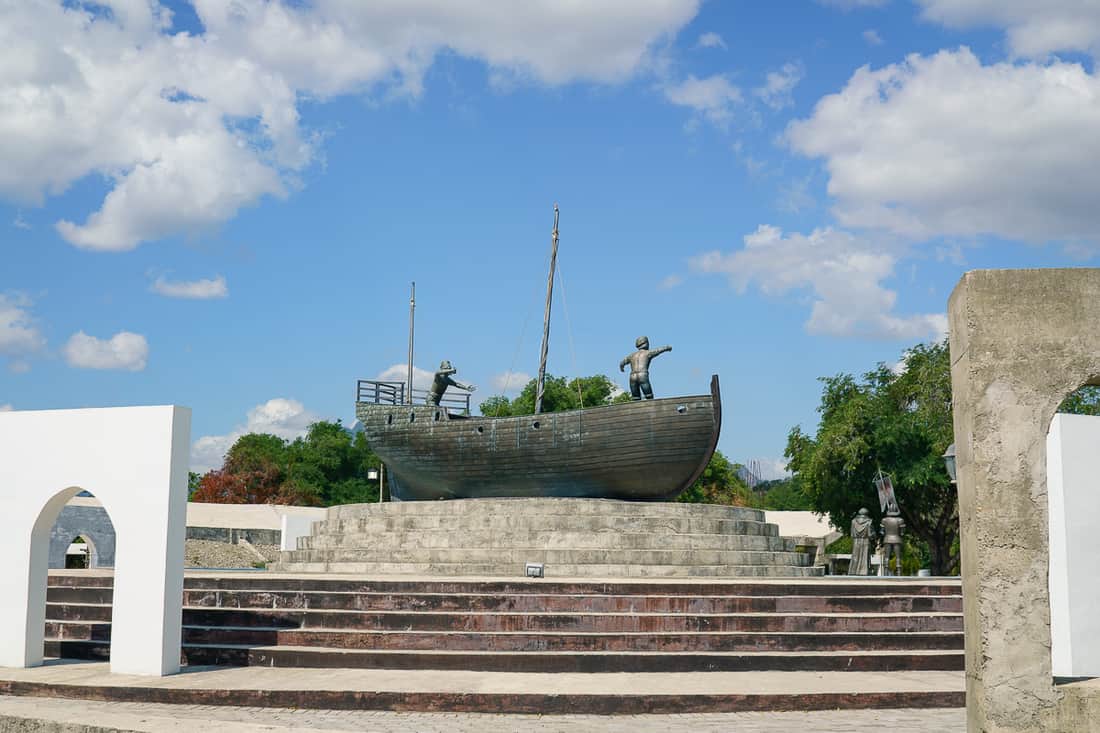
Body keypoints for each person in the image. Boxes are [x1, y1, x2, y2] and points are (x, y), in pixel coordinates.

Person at [848, 508, 874, 576]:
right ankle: (864, 571)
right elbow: (870, 534)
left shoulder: (853, 522)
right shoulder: (869, 522)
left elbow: (851, 534)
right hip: (866, 542)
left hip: (856, 542)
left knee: (855, 557)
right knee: (865, 558)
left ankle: (853, 571)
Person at [880, 508, 906, 576]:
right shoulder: (900, 520)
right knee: (898, 557)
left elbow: (882, 532)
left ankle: (885, 572)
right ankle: (899, 572)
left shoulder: (884, 520)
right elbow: (902, 533)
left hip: (887, 539)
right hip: (897, 539)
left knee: (887, 557)